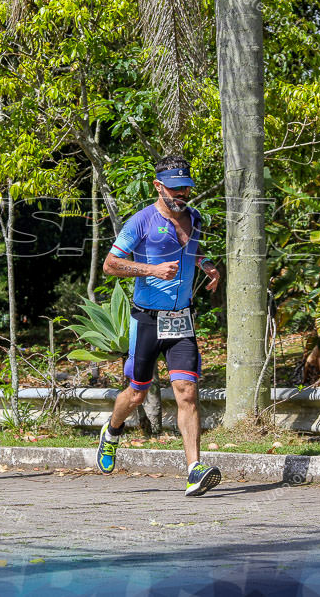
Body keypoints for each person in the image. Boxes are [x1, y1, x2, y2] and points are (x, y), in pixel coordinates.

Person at [97, 155, 223, 496]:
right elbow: (110, 265)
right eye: (175, 189)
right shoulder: (140, 222)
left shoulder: (195, 219)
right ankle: (112, 430)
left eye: (186, 188)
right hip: (147, 320)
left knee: (187, 391)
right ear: (158, 186)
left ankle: (194, 469)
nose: (182, 194)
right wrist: (151, 270)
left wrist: (207, 265)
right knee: (137, 392)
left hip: (181, 319)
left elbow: (194, 252)